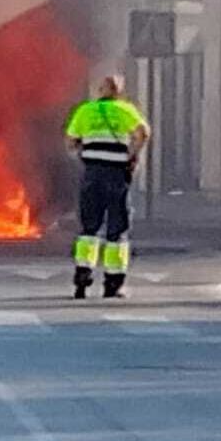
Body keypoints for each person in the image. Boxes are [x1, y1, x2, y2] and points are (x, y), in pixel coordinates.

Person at [65, 76, 150, 299]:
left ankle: (83, 276)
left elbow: (71, 141)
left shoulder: (85, 111)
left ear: (100, 90)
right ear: (119, 91)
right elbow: (143, 133)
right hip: (116, 174)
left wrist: (86, 152)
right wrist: (133, 156)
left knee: (89, 227)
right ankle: (113, 283)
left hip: (92, 174)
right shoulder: (125, 110)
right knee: (117, 229)